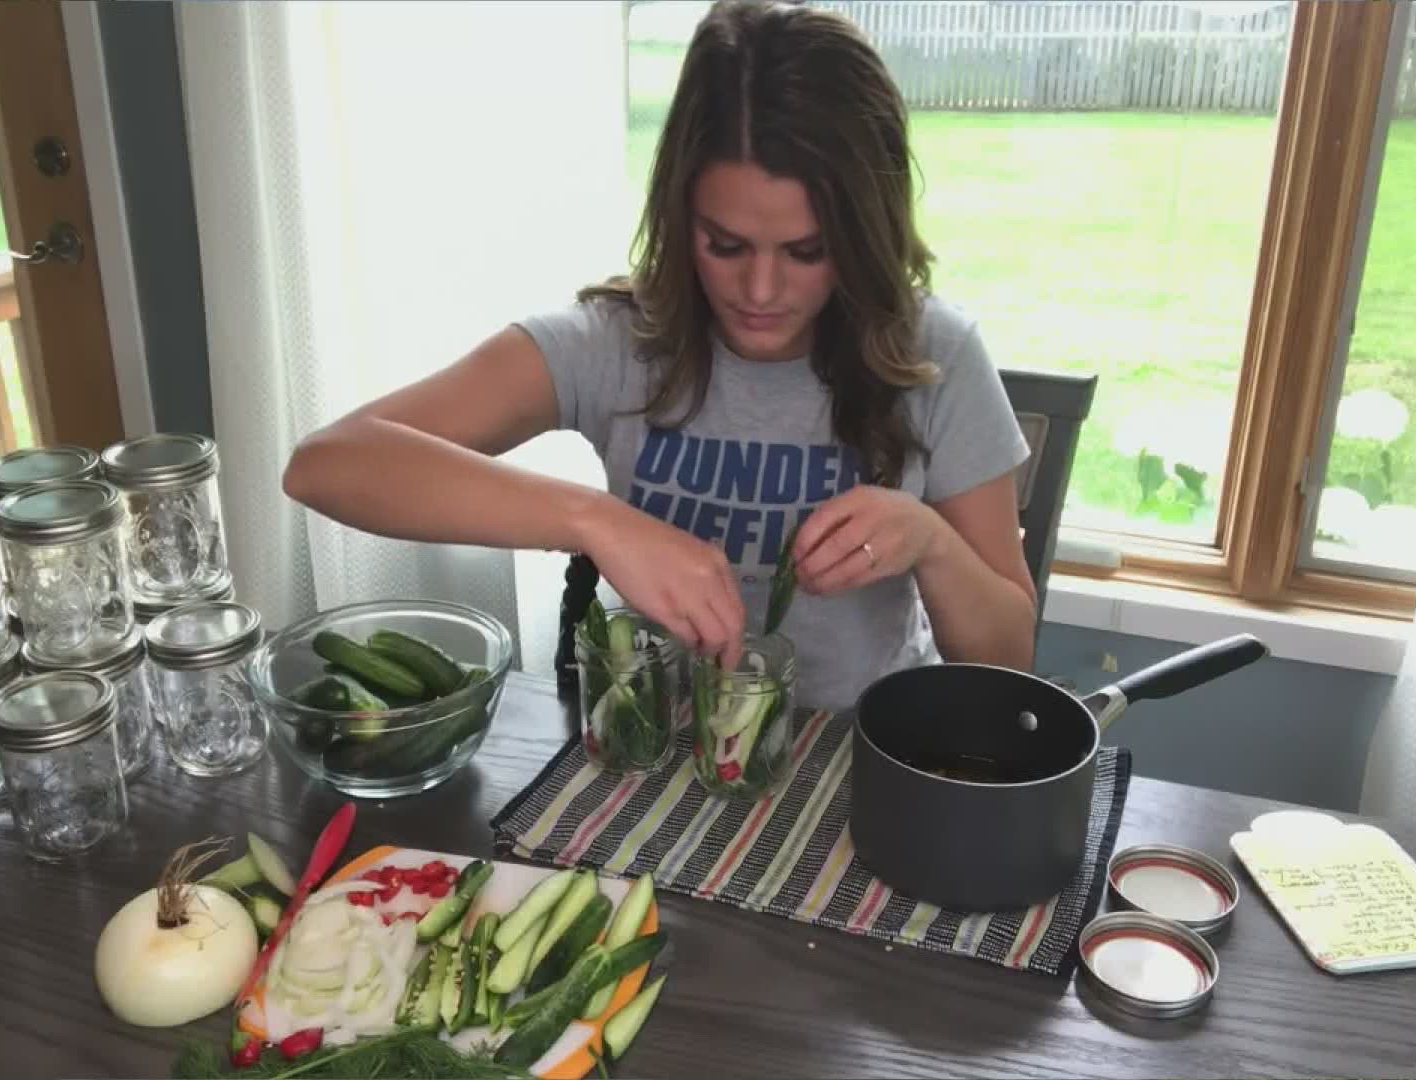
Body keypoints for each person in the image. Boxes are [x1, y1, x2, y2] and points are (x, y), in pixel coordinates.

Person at [281, 0, 1036, 711]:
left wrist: (929, 541)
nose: (761, 289)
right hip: (649, 752)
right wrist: (595, 520)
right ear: (680, 214)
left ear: (867, 230)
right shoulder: (616, 343)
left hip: (858, 762)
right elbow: (327, 464)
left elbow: (1008, 657)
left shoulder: (934, 353)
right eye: (725, 244)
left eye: (807, 250)